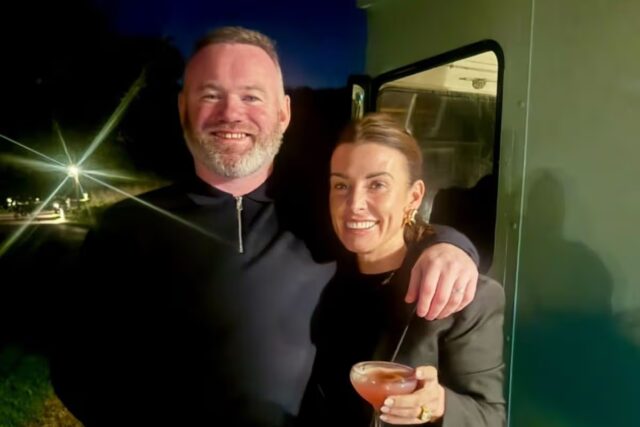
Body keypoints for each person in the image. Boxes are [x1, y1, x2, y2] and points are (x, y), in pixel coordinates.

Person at [51, 28, 480, 427]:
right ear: (183, 108)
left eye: (252, 97)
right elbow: (76, 371)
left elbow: (394, 232)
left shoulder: (326, 214)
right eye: (211, 95)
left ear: (283, 113)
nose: (231, 113)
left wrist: (451, 246)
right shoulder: (125, 229)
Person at [299, 113, 505, 426]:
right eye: (341, 185)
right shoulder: (321, 269)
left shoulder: (464, 293)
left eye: (377, 185)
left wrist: (438, 405)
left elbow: (490, 417)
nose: (354, 204)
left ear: (414, 196)